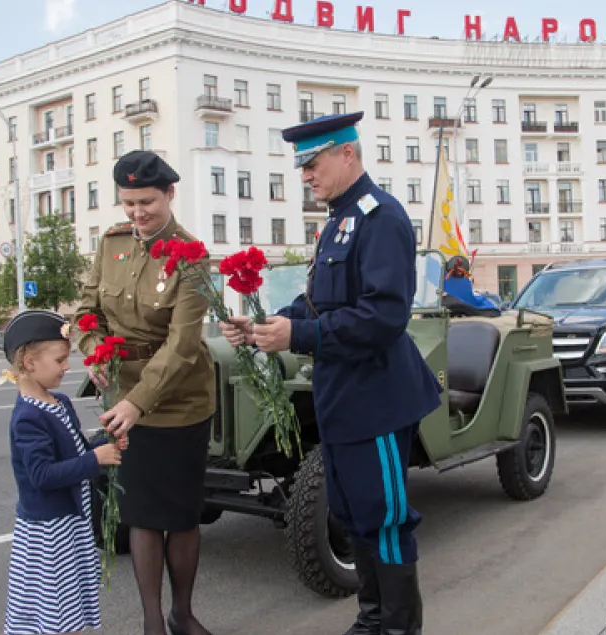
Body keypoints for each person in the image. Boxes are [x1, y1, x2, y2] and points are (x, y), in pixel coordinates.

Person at [220, 112, 440, 635]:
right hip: (343, 399)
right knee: (353, 511)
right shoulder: (339, 221)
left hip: (378, 400)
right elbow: (317, 303)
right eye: (301, 167)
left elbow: (385, 316)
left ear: (348, 154)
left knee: (385, 519)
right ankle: (372, 618)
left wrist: (298, 337)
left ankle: (398, 627)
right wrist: (262, 325)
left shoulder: (380, 217)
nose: (305, 175)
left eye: (312, 163)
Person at [75, 150, 217, 635]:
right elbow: (87, 310)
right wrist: (95, 352)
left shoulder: (192, 257)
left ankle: (183, 612)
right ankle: (152, 621)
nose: (137, 214)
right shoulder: (111, 245)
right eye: (129, 203)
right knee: (139, 515)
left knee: (178, 515)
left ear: (170, 194)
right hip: (123, 397)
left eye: (147, 203)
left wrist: (137, 403)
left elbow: (182, 345)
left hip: (178, 402)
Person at [1, 309, 125, 635]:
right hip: (49, 530)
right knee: (53, 609)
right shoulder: (28, 417)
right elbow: (42, 475)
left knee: (68, 606)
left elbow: (78, 450)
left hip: (71, 522)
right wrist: (95, 460)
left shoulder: (58, 402)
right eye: (59, 360)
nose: (66, 367)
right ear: (29, 362)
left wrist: (107, 440)